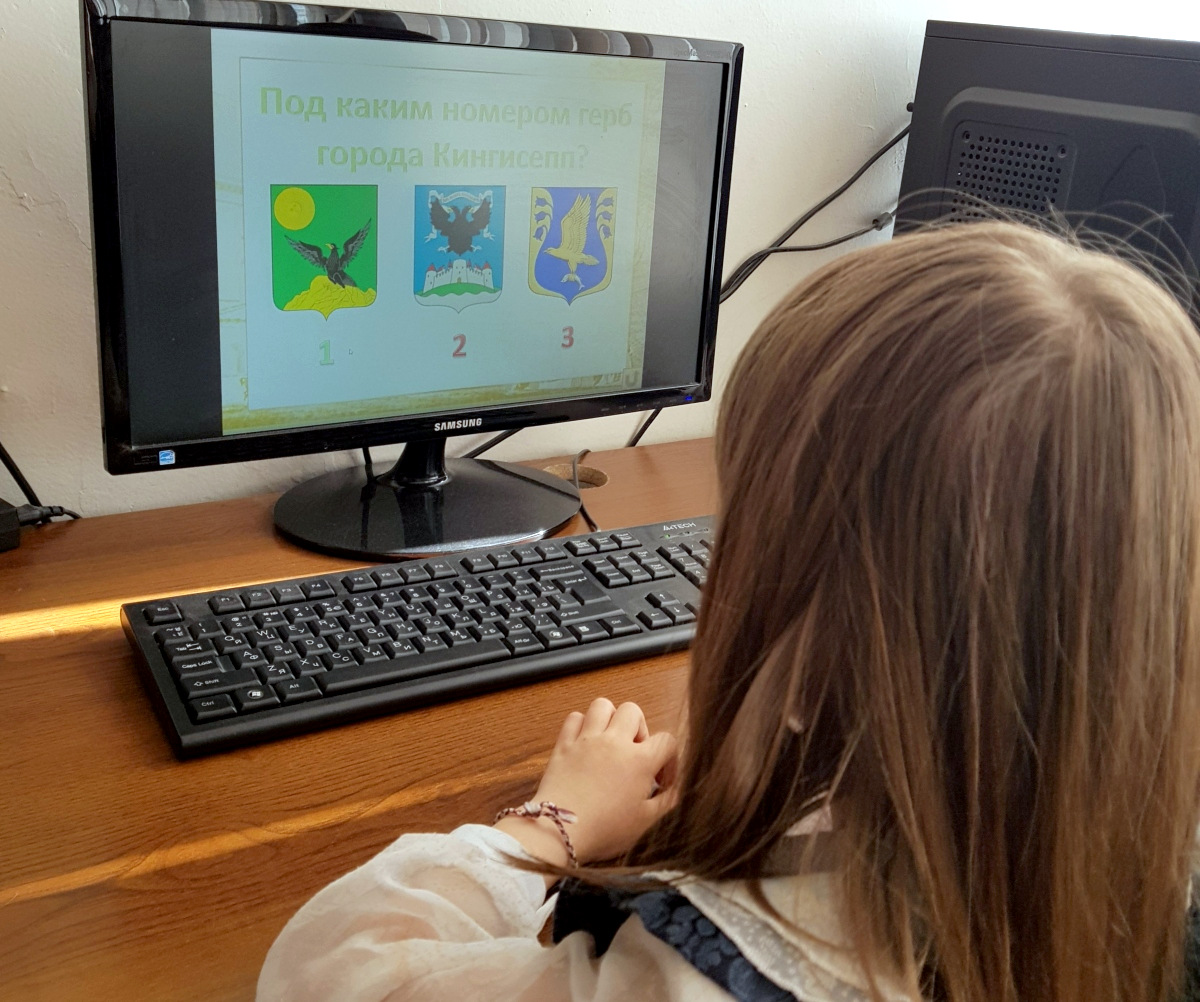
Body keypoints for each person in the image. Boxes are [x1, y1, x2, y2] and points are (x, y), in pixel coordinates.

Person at [257, 220, 1200, 1002]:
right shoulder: (1148, 865)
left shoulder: (692, 974)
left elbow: (328, 976)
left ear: (815, 628)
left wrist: (551, 822)